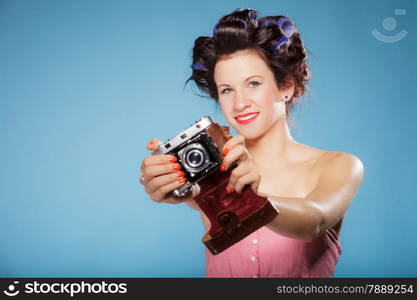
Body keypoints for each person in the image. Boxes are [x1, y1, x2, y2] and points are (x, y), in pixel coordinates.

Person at [139, 8, 364, 278]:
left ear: (286, 87)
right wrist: (163, 181)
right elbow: (187, 192)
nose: (239, 103)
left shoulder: (340, 166)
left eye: (253, 83)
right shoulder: (215, 172)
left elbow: (313, 221)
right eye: (226, 90)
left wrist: (253, 198)